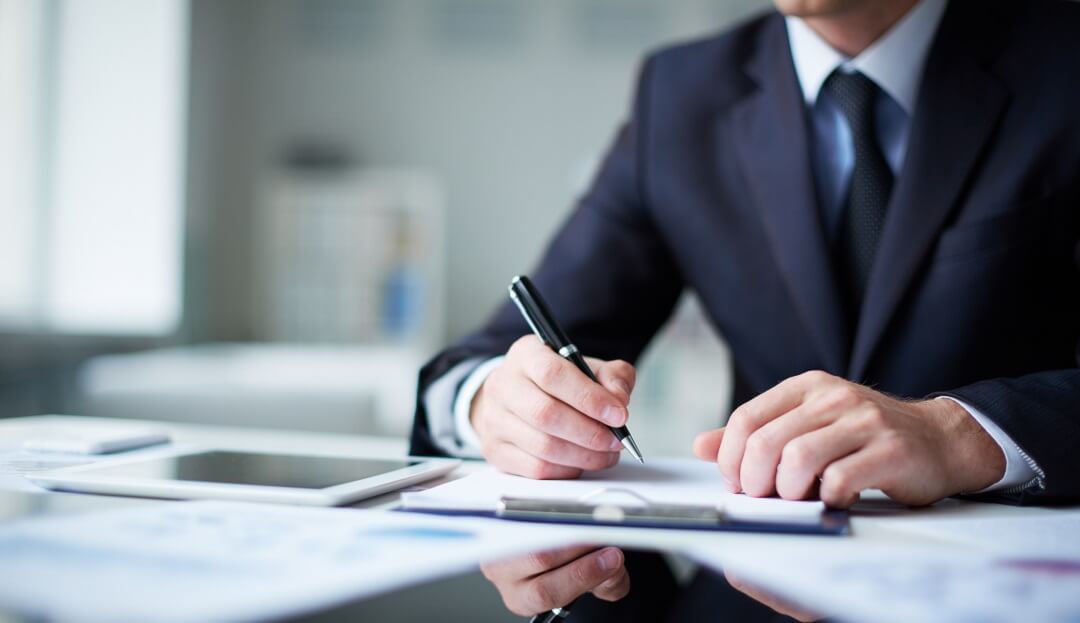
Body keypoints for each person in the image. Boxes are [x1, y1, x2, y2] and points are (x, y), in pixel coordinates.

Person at [412, 0, 1080, 617]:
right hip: (742, 598)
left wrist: (956, 435)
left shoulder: (1061, 60)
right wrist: (495, 403)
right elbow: (487, 358)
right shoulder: (681, 93)